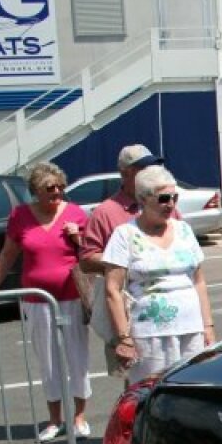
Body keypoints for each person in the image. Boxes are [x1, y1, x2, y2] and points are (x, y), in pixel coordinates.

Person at [0, 162, 91, 441]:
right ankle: (54, 419)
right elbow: (7, 255)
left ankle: (79, 417)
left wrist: (77, 237)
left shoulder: (75, 213)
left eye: (61, 186)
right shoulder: (20, 216)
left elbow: (90, 255)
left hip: (71, 298)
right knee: (48, 360)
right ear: (36, 190)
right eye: (50, 187)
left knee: (77, 357)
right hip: (37, 301)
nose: (57, 191)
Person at [102, 165, 215, 385]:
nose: (171, 204)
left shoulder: (184, 230)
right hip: (149, 333)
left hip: (191, 328)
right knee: (152, 392)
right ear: (143, 199)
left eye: (175, 197)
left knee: (192, 390)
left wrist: (208, 326)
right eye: (164, 198)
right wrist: (123, 338)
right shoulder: (125, 234)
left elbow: (198, 281)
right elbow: (112, 290)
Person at [79, 144, 174, 377]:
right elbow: (87, 259)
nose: (150, 170)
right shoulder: (106, 212)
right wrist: (123, 260)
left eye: (152, 165)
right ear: (125, 173)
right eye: (143, 167)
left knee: (175, 374)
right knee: (137, 381)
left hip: (170, 310)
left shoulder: (166, 202)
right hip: (129, 310)